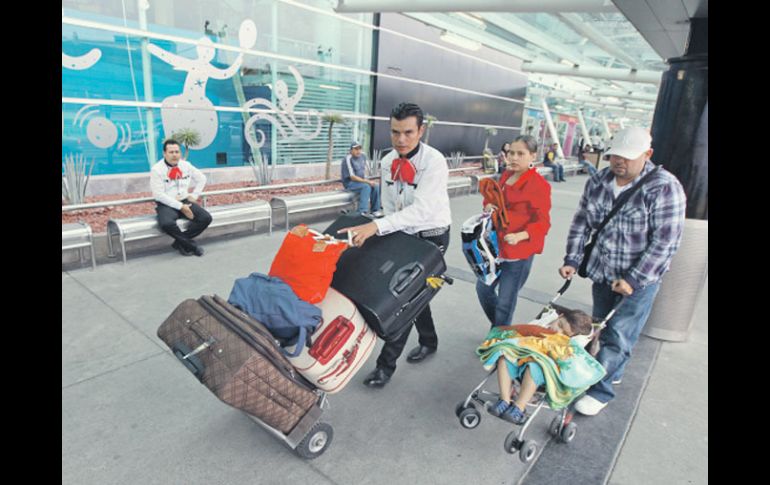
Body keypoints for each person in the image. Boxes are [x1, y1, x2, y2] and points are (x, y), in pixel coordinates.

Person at [558, 126, 686, 416]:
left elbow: (666, 242)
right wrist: (572, 259)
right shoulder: (599, 180)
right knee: (602, 328)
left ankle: (601, 391)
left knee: (620, 334)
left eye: (627, 157)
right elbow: (581, 223)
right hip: (602, 272)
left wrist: (633, 279)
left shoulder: (665, 187)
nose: (619, 162)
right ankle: (611, 369)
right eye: (615, 155)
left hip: (639, 281)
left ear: (648, 154)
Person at [336, 102, 452, 388]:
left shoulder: (434, 162)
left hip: (431, 238)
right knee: (415, 297)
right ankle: (429, 340)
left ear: (421, 130)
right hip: (402, 233)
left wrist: (377, 226)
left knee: (402, 302)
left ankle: (385, 367)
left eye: (408, 133)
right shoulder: (388, 161)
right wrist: (373, 227)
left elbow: (422, 211)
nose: (401, 139)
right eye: (395, 132)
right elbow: (389, 207)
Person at [476, 135, 551, 328]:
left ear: (532, 156)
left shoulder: (539, 185)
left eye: (520, 154)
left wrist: (520, 236)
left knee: (505, 300)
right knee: (483, 289)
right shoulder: (506, 176)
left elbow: (543, 223)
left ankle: (499, 337)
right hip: (496, 246)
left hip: (519, 252)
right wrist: (488, 206)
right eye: (511, 153)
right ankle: (502, 330)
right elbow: (494, 199)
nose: (514, 158)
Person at [478, 308, 596, 424]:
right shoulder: (543, 323)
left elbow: (568, 356)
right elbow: (521, 331)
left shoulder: (566, 343)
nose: (557, 331)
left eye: (564, 333)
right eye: (559, 325)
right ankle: (504, 399)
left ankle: (519, 407)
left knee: (534, 366)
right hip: (519, 357)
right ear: (560, 316)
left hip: (538, 368)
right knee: (504, 358)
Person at [150, 139, 212, 256]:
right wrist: (181, 207)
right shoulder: (157, 169)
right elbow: (158, 194)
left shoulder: (186, 165)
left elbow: (202, 178)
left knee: (206, 218)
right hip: (167, 203)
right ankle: (191, 246)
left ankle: (180, 242)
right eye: (171, 152)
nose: (174, 155)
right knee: (166, 224)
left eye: (177, 152)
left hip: (185, 200)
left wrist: (195, 195)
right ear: (164, 153)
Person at [341, 141, 381, 216]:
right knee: (366, 186)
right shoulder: (347, 159)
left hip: (361, 182)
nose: (358, 151)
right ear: (351, 150)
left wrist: (369, 181)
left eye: (360, 149)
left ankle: (375, 210)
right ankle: (362, 211)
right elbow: (352, 177)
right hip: (350, 183)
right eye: (356, 149)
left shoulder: (363, 156)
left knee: (376, 186)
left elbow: (363, 172)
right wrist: (367, 182)